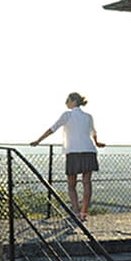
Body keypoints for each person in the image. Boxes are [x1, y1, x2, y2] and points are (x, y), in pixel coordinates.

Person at [30, 92, 104, 220]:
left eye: (68, 101)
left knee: (71, 184)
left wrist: (38, 140)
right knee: (87, 182)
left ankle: (75, 212)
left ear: (74, 101)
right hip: (88, 150)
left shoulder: (67, 115)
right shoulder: (88, 116)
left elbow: (52, 129)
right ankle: (83, 213)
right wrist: (97, 143)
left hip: (73, 151)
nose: (66, 103)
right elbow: (93, 132)